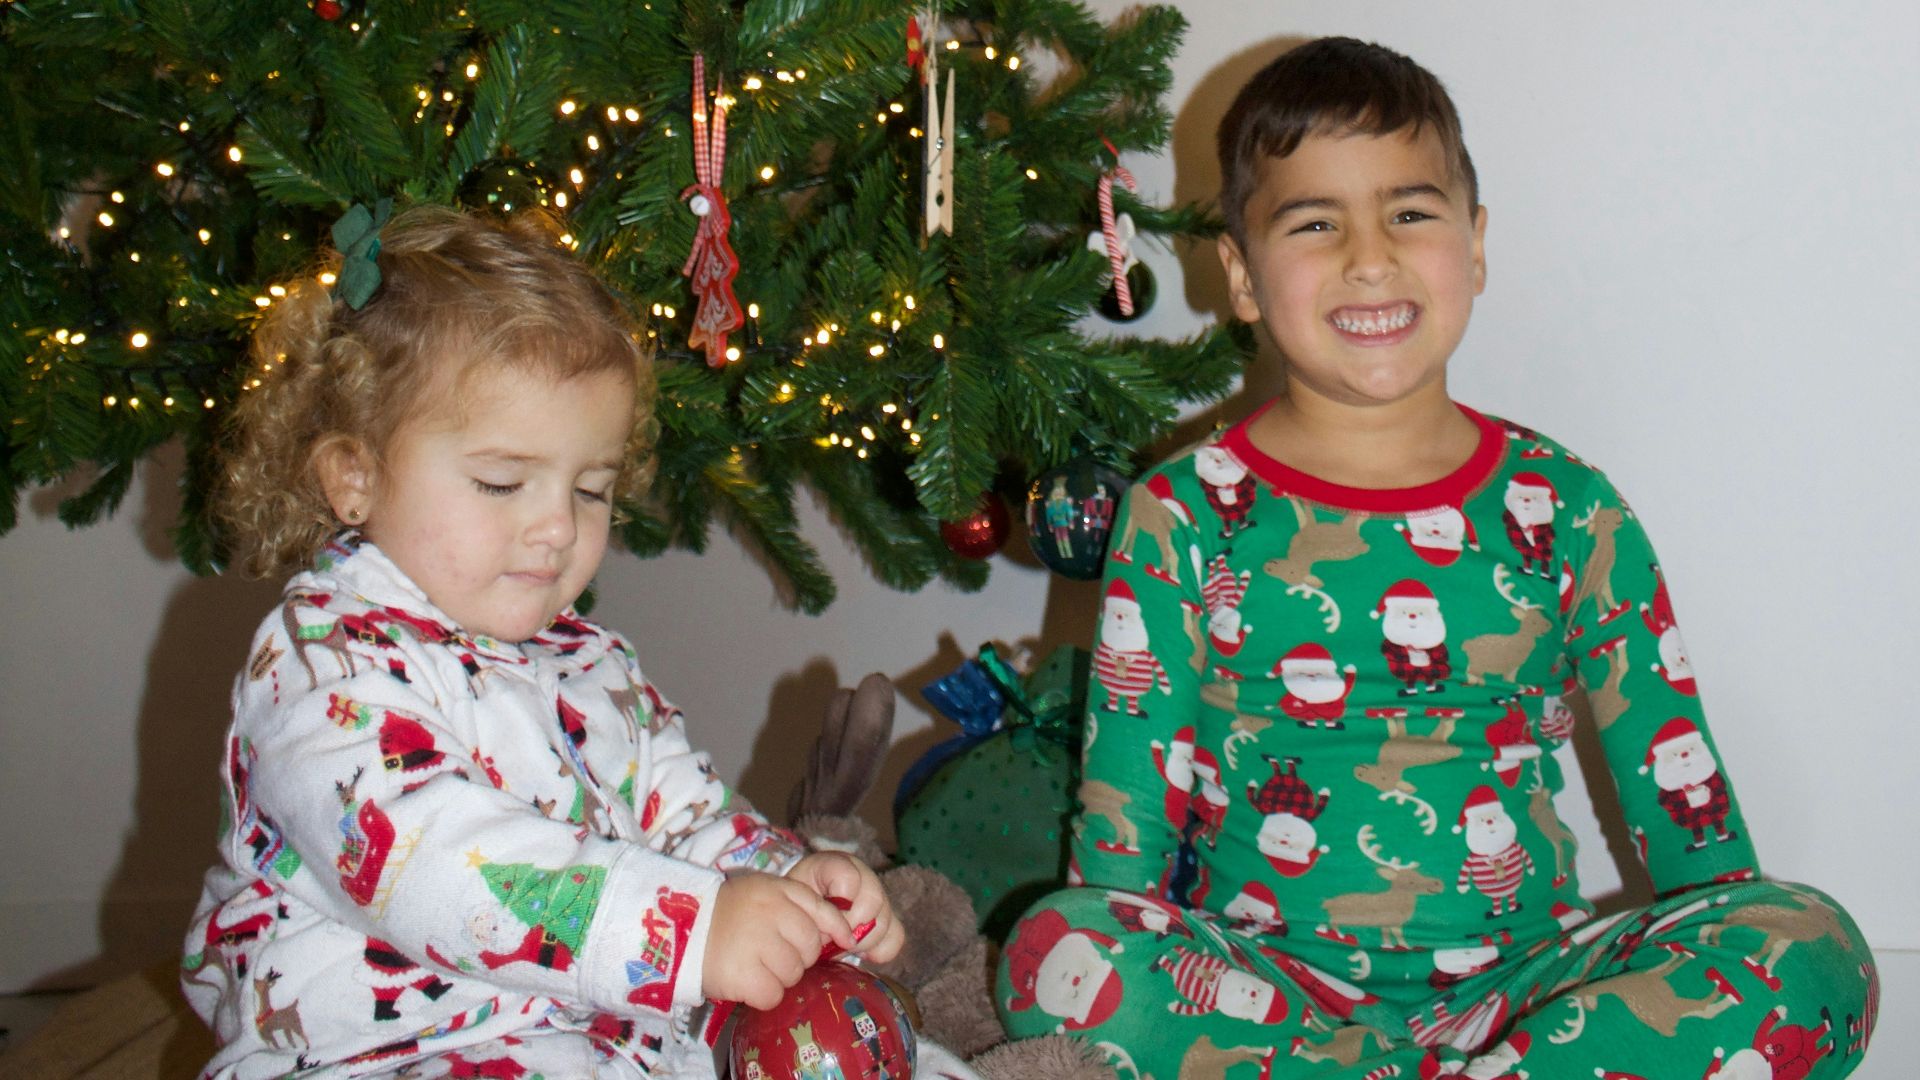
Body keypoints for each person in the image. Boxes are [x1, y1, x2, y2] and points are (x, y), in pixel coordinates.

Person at [995, 37, 1877, 1078]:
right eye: (1315, 223)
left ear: (1477, 244)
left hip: (1521, 1003)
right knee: (1054, 952)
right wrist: (1121, 949)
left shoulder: (1568, 509)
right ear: (1239, 276)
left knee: (1814, 945)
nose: (1371, 256)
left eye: (1410, 213)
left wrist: (1721, 950)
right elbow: (1122, 854)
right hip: (1267, 996)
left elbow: (1688, 820)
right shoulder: (1179, 514)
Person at [182, 205, 902, 1079]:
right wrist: (689, 928)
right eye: (501, 482)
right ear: (356, 476)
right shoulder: (319, 663)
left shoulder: (591, 662)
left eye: (591, 489)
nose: (557, 527)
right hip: (380, 1050)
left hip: (595, 1027)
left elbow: (685, 815)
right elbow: (430, 861)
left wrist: (786, 885)